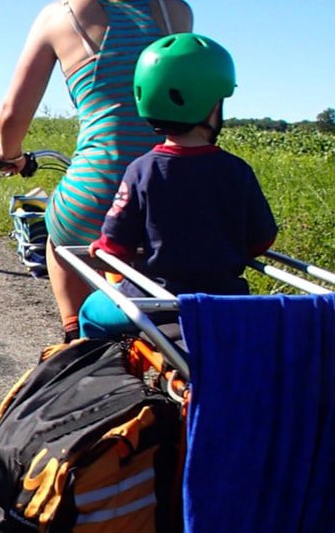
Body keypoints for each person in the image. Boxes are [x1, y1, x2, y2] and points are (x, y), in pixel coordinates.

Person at [0, 0, 193, 340]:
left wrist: (8, 155)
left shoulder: (59, 14)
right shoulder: (178, 13)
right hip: (173, 189)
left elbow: (12, 113)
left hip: (97, 188)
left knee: (60, 236)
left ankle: (73, 340)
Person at [81, 33, 276, 336]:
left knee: (90, 312)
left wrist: (101, 248)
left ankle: (94, 376)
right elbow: (261, 240)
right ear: (212, 106)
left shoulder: (141, 170)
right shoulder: (238, 171)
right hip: (225, 302)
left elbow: (116, 246)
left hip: (154, 302)